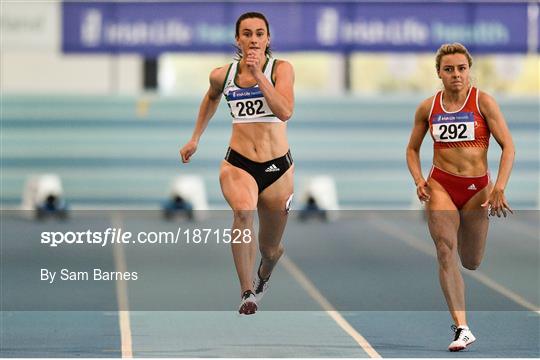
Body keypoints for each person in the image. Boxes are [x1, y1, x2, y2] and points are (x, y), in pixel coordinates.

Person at [180, 12, 294, 315]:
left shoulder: (281, 69)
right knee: (243, 213)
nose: (253, 39)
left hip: (276, 168)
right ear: (237, 40)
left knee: (270, 249)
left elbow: (285, 111)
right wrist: (195, 138)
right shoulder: (222, 74)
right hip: (238, 163)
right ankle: (246, 292)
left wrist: (258, 76)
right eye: (247, 34)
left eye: (259, 34)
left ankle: (264, 274)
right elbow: (211, 97)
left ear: (268, 39)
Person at [406, 43, 514, 351]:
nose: (456, 75)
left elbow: (509, 146)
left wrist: (499, 187)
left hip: (476, 190)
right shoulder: (428, 107)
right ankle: (462, 327)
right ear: (438, 73)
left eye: (461, 69)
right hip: (440, 184)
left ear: (469, 70)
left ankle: (463, 318)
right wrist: (418, 179)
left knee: (471, 261)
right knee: (444, 250)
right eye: (449, 69)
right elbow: (412, 149)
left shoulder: (483, 102)